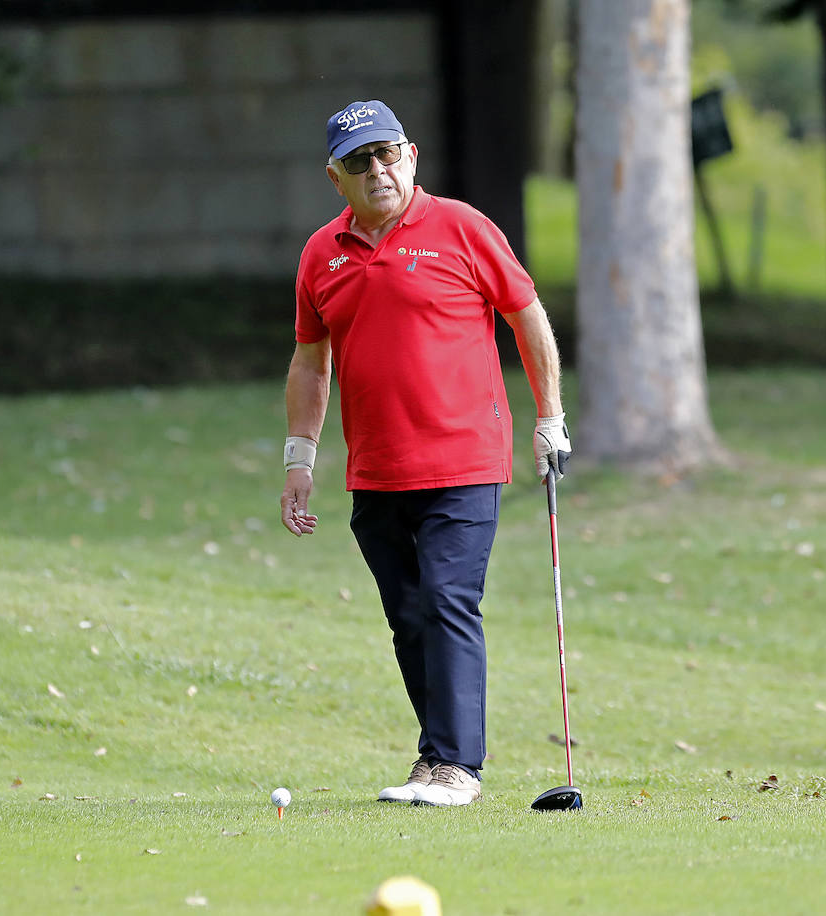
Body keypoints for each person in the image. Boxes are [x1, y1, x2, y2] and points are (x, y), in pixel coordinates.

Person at [279, 99, 571, 807]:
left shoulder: (462, 227)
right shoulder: (321, 254)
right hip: (376, 469)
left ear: (410, 155)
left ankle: (458, 768)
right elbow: (311, 360)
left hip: (464, 460)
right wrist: (299, 457)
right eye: (358, 162)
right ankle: (436, 757)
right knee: (408, 617)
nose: (376, 170)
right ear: (336, 178)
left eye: (386, 154)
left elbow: (526, 313)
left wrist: (551, 418)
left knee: (446, 600)